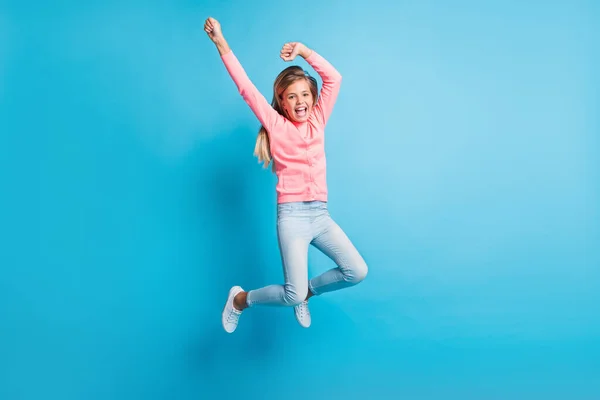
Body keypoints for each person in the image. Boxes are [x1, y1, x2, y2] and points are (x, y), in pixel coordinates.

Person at [204, 17, 368, 333]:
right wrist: (220, 42)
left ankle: (309, 290)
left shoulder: (318, 120)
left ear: (313, 97)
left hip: (320, 215)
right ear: (282, 102)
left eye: (304, 95)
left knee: (356, 270)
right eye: (291, 97)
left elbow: (333, 78)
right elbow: (245, 87)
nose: (300, 102)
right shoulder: (276, 126)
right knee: (291, 296)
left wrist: (305, 51)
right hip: (292, 218)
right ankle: (239, 300)